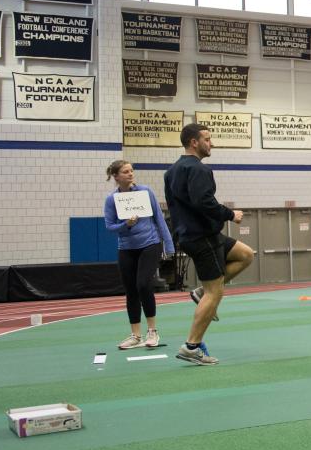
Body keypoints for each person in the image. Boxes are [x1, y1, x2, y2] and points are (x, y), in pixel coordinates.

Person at [165, 123, 255, 365]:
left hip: (198, 235)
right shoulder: (199, 170)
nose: (211, 143)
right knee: (216, 292)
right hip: (202, 237)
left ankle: (200, 292)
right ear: (194, 142)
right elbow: (203, 202)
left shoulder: (171, 171)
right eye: (207, 139)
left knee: (246, 254)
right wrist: (230, 214)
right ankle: (191, 346)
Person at [104, 160, 174, 350]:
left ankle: (152, 331)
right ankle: (136, 335)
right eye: (125, 171)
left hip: (150, 244)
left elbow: (159, 218)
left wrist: (169, 245)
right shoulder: (112, 200)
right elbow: (110, 226)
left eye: (131, 170)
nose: (130, 174)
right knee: (131, 290)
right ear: (116, 176)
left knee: (143, 284)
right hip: (126, 248)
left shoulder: (145, 192)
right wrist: (125, 225)